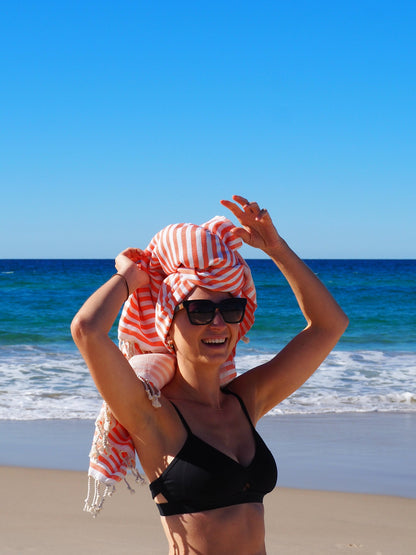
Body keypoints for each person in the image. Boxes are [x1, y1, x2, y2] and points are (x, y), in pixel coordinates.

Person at [71, 195, 348, 555]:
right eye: (200, 310)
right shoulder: (152, 414)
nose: (218, 322)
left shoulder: (244, 399)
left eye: (231, 308)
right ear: (167, 327)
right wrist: (129, 278)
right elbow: (87, 330)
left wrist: (276, 248)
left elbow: (330, 325)